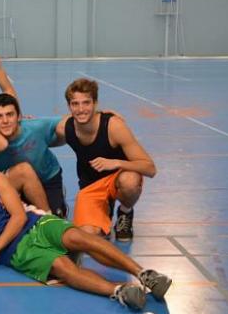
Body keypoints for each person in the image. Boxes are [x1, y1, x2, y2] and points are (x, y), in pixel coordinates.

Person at [0, 142, 171, 311]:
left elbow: (19, 216)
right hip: (17, 251)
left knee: (79, 238)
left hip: (34, 223)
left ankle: (144, 274)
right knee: (62, 267)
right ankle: (119, 291)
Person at [55, 78, 156, 241]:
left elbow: (150, 168)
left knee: (130, 180)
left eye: (86, 103)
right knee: (89, 237)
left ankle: (125, 212)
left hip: (118, 180)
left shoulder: (113, 126)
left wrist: (116, 163)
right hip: (91, 187)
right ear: (69, 107)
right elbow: (43, 133)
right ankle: (104, 211)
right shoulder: (64, 128)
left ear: (95, 103)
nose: (81, 109)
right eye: (75, 104)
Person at [0, 93, 67, 217]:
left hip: (47, 180)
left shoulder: (36, 127)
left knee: (57, 217)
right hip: (12, 184)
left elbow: (66, 122)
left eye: (10, 115)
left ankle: (53, 212)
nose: (5, 121)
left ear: (19, 116)